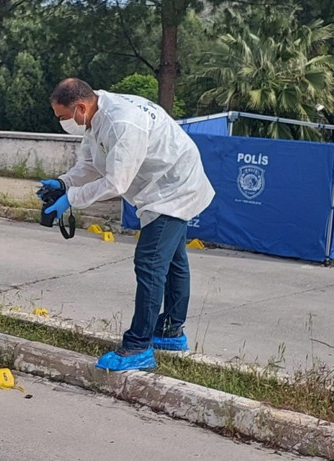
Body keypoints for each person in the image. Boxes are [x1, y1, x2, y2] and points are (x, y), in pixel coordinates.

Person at [42, 78, 215, 371]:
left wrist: (71, 198)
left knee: (149, 262)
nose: (62, 122)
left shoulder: (123, 122)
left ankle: (138, 347)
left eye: (62, 117)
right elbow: (92, 163)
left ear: (80, 107)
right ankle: (171, 332)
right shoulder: (96, 117)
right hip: (164, 184)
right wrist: (63, 182)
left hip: (175, 188)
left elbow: (114, 182)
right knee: (173, 260)